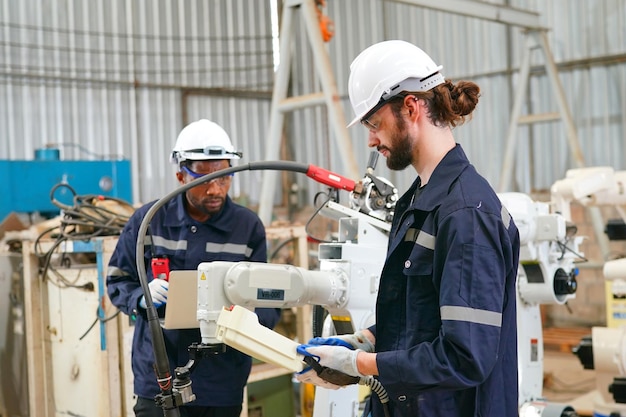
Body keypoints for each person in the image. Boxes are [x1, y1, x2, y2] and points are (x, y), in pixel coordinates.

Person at [297, 40, 521, 417]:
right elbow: (415, 318)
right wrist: (364, 342)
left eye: (373, 122)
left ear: (411, 107)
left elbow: (465, 356)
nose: (370, 138)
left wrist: (360, 367)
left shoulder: (465, 213)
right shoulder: (417, 201)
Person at [107, 119, 281, 417]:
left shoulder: (247, 227)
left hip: (221, 381)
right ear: (180, 175)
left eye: (224, 178)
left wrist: (249, 318)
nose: (215, 189)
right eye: (204, 180)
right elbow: (117, 280)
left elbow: (267, 302)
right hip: (159, 377)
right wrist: (140, 297)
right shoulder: (149, 221)